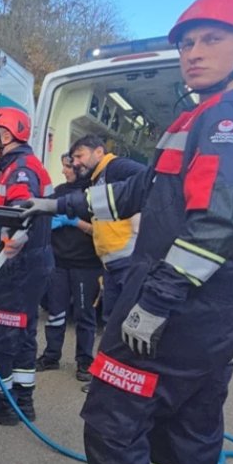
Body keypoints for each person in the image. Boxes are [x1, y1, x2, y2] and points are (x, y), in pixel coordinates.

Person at [23, 0, 233, 464]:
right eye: (188, 42)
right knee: (187, 425)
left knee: (112, 415)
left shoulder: (226, 118)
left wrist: (156, 302)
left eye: (211, 39)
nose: (194, 52)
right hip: (221, 306)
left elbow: (215, 223)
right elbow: (139, 191)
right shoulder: (207, 117)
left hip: (186, 302)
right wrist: (62, 202)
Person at [0, 106, 54, 425]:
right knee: (22, 334)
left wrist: (4, 255)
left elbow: (21, 219)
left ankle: (1, 406)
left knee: (3, 335)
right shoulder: (26, 165)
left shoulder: (19, 170)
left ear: (5, 137)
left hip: (17, 270)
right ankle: (23, 401)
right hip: (32, 268)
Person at [36, 140, 104, 382]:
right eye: (66, 164)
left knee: (85, 315)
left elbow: (102, 230)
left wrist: (74, 221)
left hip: (87, 265)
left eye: (68, 165)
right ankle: (51, 355)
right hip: (59, 262)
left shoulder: (95, 193)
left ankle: (85, 362)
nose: (65, 169)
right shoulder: (59, 192)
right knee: (56, 311)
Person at [68, 135, 147, 324]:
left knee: (126, 322)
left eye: (80, 156)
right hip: (111, 265)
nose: (76, 163)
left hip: (128, 262)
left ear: (99, 152)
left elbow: (148, 179)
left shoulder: (115, 167)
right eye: (74, 159)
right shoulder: (96, 178)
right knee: (111, 320)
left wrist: (140, 216)